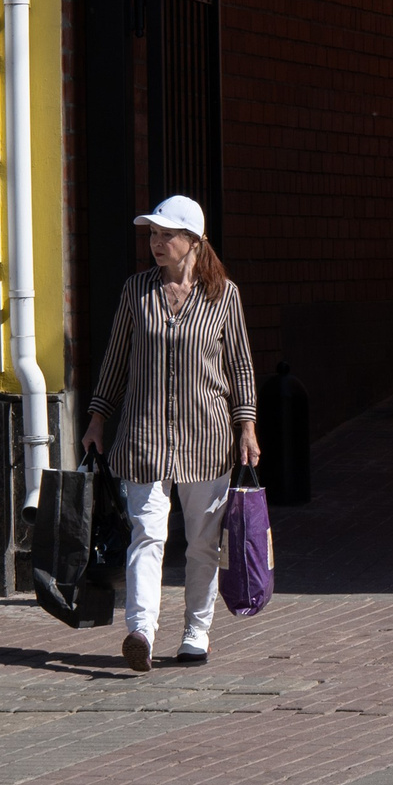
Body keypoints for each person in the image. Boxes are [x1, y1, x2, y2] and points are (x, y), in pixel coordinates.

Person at [82, 195, 259, 672]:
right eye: (152, 236)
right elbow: (116, 360)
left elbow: (240, 367)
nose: (156, 244)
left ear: (194, 241)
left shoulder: (225, 295)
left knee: (203, 543)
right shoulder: (136, 291)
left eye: (166, 235)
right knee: (148, 534)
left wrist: (247, 426)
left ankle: (196, 633)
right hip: (144, 437)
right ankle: (140, 630)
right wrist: (98, 418)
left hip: (208, 440)